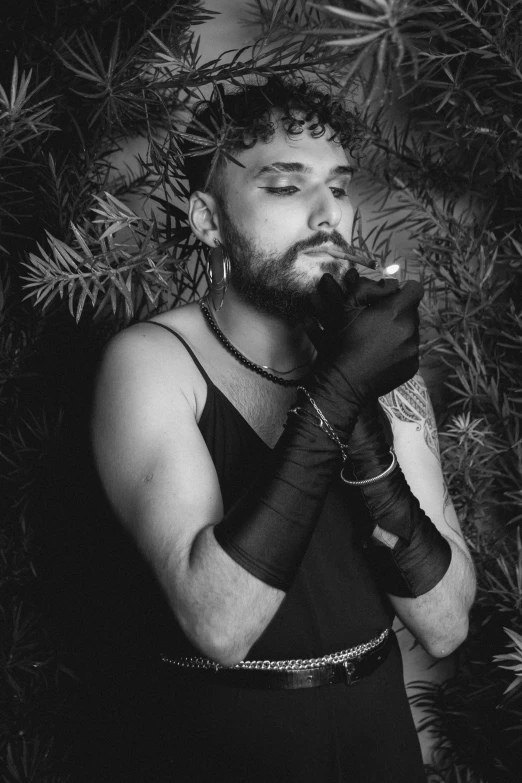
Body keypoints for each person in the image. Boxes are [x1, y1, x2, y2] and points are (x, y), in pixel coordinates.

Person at [90, 77, 476, 782]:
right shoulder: (149, 362)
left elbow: (446, 623)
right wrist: (339, 392)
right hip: (225, 751)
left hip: (380, 744)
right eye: (284, 186)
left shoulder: (383, 368)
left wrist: (361, 405)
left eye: (339, 185)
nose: (329, 213)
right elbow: (220, 624)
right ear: (208, 220)